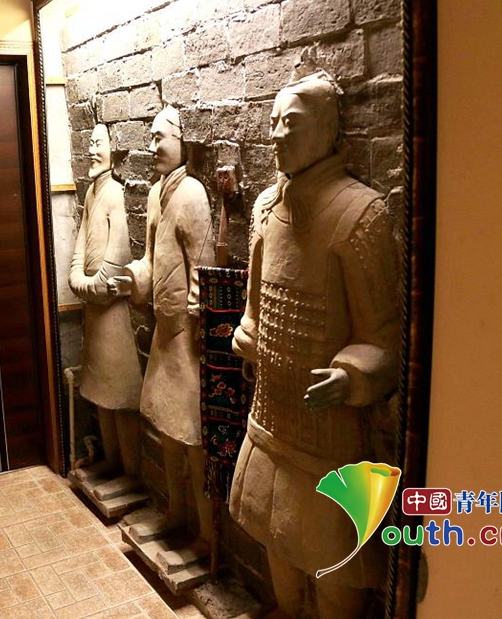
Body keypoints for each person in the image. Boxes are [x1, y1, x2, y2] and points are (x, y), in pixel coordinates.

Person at [229, 72, 401, 618]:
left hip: (329, 439)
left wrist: (351, 375)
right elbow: (255, 306)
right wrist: (247, 332)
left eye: (292, 123)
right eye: (274, 121)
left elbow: (383, 338)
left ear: (327, 132)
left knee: (334, 578)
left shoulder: (360, 214)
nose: (277, 134)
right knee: (278, 554)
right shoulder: (266, 209)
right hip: (270, 420)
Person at [110, 105, 216, 548]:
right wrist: (133, 279)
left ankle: (209, 535)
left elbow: (203, 267)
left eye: (160, 137)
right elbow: (152, 259)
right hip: (164, 333)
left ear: (181, 141)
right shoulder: (156, 194)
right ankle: (177, 512)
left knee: (193, 440)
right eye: (151, 138)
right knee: (169, 434)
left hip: (186, 338)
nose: (153, 146)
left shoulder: (192, 193)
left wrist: (196, 323)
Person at [69, 124, 143, 478]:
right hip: (94, 314)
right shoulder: (91, 194)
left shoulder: (114, 194)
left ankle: (131, 472)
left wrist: (88, 285)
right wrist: (77, 278)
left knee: (120, 397)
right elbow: (80, 246)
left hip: (113, 316)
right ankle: (113, 463)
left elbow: (114, 265)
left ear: (114, 150)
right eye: (90, 142)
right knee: (100, 393)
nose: (92, 150)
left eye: (98, 143)